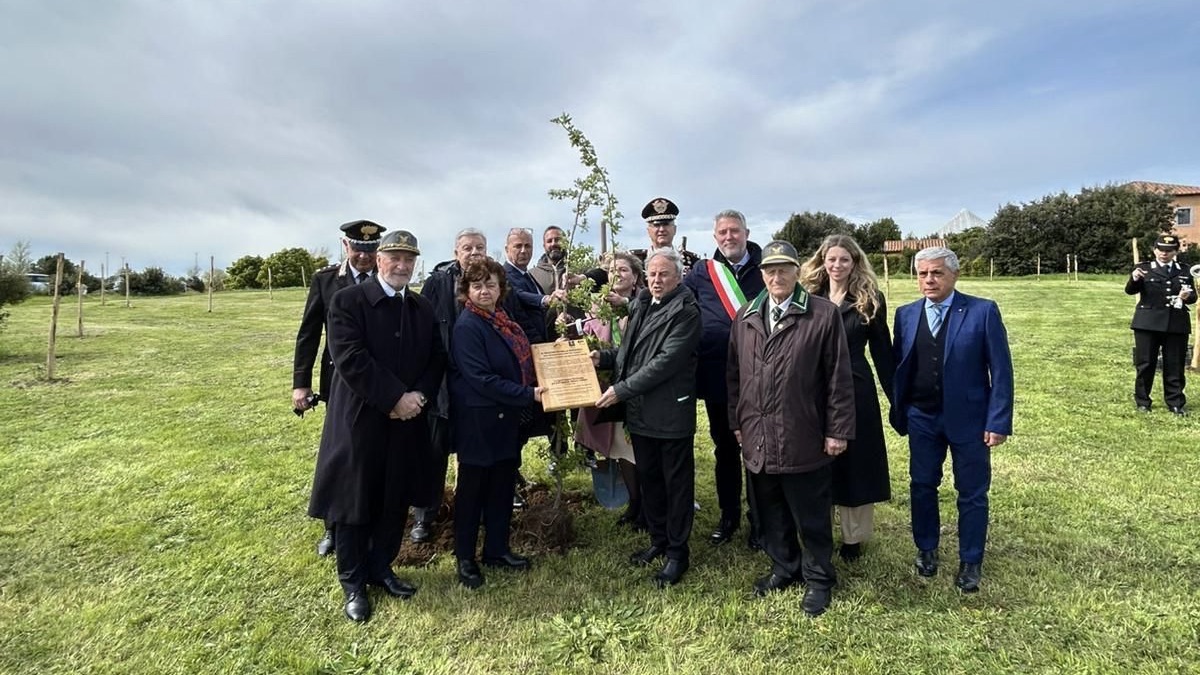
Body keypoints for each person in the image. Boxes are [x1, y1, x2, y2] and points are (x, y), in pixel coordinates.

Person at [307, 230, 445, 622]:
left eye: (409, 259)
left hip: (407, 422)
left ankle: (382, 567)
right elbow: (349, 357)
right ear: (379, 260)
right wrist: (393, 398)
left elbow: (436, 357)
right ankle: (353, 583)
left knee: (393, 498)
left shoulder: (420, 307)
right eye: (395, 258)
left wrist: (418, 397)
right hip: (359, 421)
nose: (402, 266)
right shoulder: (347, 301)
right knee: (355, 502)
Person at [727, 240, 855, 617]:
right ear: (761, 274)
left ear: (798, 272)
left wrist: (837, 431)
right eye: (770, 270)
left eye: (784, 269)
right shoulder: (746, 314)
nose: (776, 276)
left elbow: (838, 377)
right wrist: (737, 422)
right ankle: (784, 567)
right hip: (757, 434)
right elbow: (734, 375)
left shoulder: (822, 314)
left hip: (804, 433)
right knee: (769, 509)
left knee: (811, 513)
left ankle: (818, 578)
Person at [891, 246, 1013, 593]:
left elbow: (1001, 371)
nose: (929, 280)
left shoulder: (982, 311)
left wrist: (998, 420)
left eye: (936, 273)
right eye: (922, 273)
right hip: (922, 418)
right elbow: (902, 365)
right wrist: (903, 410)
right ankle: (926, 549)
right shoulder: (906, 315)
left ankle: (970, 559)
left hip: (970, 420)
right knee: (921, 484)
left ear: (954, 275)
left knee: (972, 493)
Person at [593, 248, 701, 588]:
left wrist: (622, 389)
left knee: (676, 485)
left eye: (664, 274)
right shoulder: (641, 303)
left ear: (678, 277)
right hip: (641, 412)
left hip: (669, 411)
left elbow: (665, 363)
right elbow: (632, 351)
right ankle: (658, 541)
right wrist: (605, 357)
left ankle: (677, 554)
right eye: (652, 274)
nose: (656, 280)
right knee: (651, 479)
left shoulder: (687, 311)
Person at [449, 259, 546, 589]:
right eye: (477, 286)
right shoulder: (468, 327)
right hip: (480, 423)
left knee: (502, 488)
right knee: (472, 493)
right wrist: (527, 393)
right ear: (467, 291)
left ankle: (496, 550)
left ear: (501, 288)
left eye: (490, 284)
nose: (484, 290)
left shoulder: (503, 320)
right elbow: (481, 379)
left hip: (505, 421)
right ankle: (465, 558)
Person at [292, 219, 386, 557]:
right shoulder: (326, 280)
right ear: (346, 246)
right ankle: (333, 526)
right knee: (340, 456)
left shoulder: (385, 279)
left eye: (372, 249)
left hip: (378, 383)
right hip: (339, 383)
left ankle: (369, 519)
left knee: (372, 453)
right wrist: (300, 384)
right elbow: (309, 333)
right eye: (359, 249)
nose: (365, 256)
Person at [800, 234, 894, 563]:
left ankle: (853, 538)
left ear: (854, 263)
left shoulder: (869, 300)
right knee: (816, 460)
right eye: (831, 259)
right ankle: (817, 526)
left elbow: (884, 354)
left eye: (844, 259)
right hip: (813, 388)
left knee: (856, 463)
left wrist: (897, 400)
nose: (837, 265)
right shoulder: (808, 297)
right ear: (822, 261)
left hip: (856, 388)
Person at [683, 209, 765, 547]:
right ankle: (728, 515)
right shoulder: (703, 272)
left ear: (746, 232)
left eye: (734, 231)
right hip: (718, 377)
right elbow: (678, 303)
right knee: (725, 448)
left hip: (763, 378)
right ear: (714, 237)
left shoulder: (767, 268)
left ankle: (761, 522)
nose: (728, 237)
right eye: (722, 233)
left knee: (759, 450)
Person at [411, 228, 488, 543]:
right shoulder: (437, 282)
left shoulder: (491, 282)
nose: (473, 253)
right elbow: (421, 331)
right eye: (467, 247)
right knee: (433, 453)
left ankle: (473, 512)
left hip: (476, 383)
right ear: (456, 252)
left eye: (479, 248)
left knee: (474, 452)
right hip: (442, 383)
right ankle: (424, 516)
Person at [571, 252, 645, 527]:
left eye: (624, 270)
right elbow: (586, 337)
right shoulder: (596, 306)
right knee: (618, 447)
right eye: (612, 270)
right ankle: (634, 502)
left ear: (636, 276)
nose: (618, 274)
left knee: (637, 448)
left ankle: (647, 503)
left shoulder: (644, 303)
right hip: (605, 388)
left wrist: (625, 305)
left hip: (636, 388)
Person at [1126, 234, 1195, 415]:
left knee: (1175, 364)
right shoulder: (1143, 268)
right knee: (1146, 364)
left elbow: (1193, 297)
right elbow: (1130, 290)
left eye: (1169, 250)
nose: (1164, 254)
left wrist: (1187, 297)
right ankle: (1143, 401)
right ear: (1154, 250)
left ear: (1175, 252)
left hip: (1176, 323)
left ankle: (1175, 402)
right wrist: (1134, 278)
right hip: (1147, 323)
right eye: (1161, 250)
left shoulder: (1185, 270)